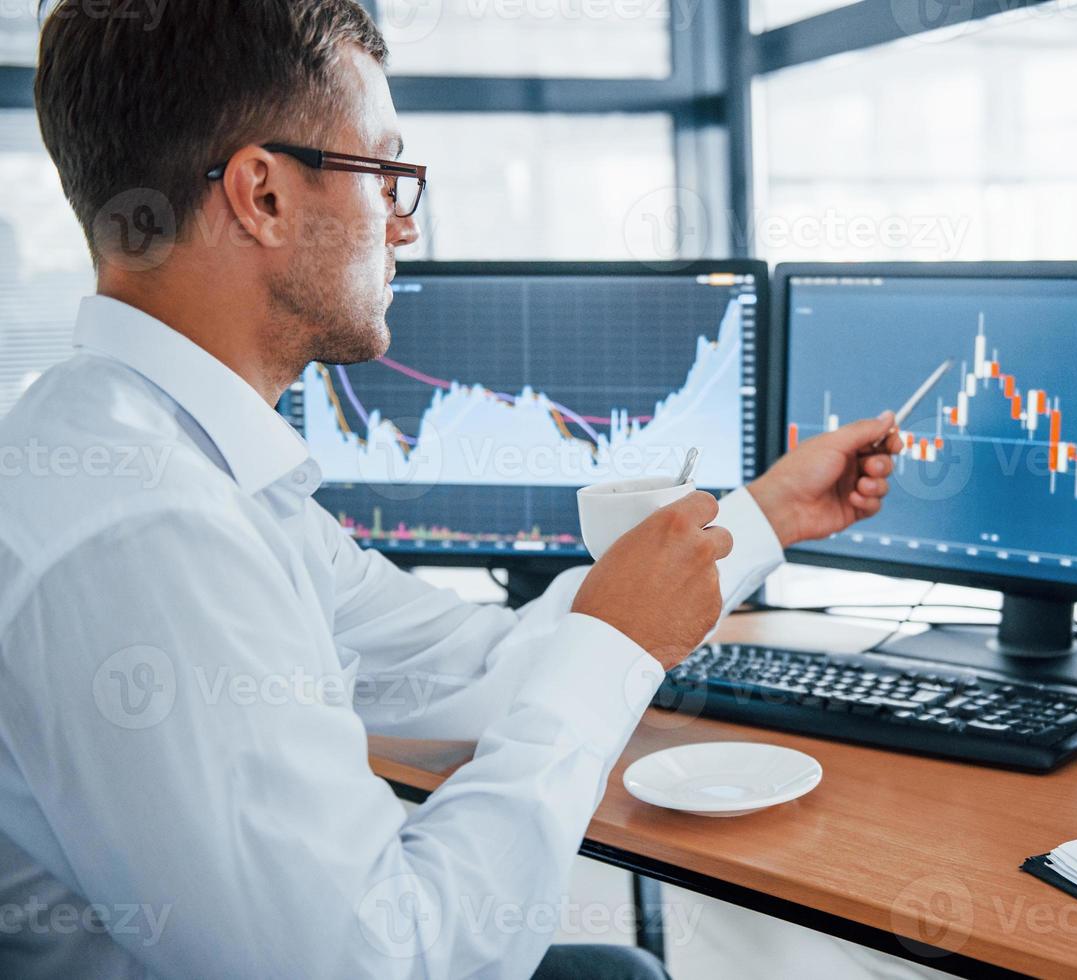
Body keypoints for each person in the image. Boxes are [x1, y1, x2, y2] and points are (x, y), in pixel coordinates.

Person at [0, 2, 903, 977]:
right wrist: (613, 648)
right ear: (261, 195)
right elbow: (385, 959)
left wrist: (766, 516)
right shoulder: (148, 533)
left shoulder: (181, 462)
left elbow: (469, 666)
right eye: (384, 171)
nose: (405, 221)